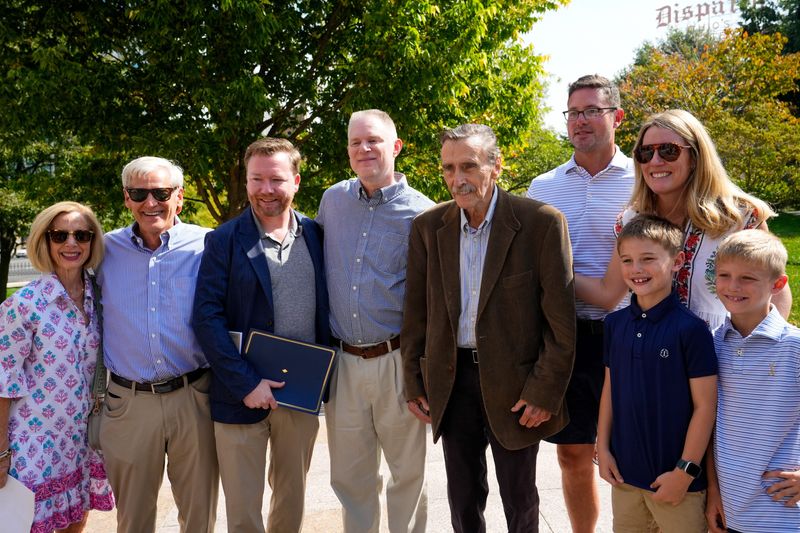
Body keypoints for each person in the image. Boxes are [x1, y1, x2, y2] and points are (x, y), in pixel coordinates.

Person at [402, 123, 576, 532]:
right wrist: (413, 381)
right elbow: (415, 314)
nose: (457, 179)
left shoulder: (541, 223)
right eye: (448, 168)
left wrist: (544, 392)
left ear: (496, 166)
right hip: (451, 380)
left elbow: (561, 323)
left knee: (520, 499)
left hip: (517, 387)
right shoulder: (428, 229)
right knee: (462, 501)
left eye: (468, 166)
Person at [192, 138, 329, 533]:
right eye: (257, 179)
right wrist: (246, 382)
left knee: (291, 501)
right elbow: (206, 318)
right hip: (241, 394)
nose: (266, 189)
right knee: (243, 510)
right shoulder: (223, 240)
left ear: (296, 181)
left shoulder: (317, 236)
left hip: (300, 393)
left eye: (276, 179)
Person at [526, 73, 634, 533]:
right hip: (567, 336)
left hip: (631, 335)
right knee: (572, 453)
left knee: (632, 451)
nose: (581, 121)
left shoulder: (643, 179)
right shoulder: (543, 186)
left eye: (592, 110)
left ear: (617, 117)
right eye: (573, 112)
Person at [317, 109, 433, 533]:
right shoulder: (332, 200)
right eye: (355, 143)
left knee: (407, 474)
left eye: (374, 141)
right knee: (350, 477)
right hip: (342, 362)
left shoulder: (422, 213)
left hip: (397, 361)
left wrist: (425, 373)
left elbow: (433, 299)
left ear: (395, 146)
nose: (364, 149)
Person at [576, 109, 792, 328]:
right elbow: (608, 293)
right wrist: (548, 270)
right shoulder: (632, 220)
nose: (656, 161)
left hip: (722, 355)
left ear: (696, 158)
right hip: (653, 356)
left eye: (669, 151)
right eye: (645, 152)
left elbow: (777, 291)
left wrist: (762, 349)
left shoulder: (739, 217)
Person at [98, 157, 218, 533]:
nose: (150, 202)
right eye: (139, 193)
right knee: (133, 521)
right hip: (129, 404)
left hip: (194, 397)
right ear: (126, 199)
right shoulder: (102, 251)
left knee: (199, 516)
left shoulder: (208, 245)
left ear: (179, 197)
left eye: (161, 192)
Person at [597, 214, 717, 533]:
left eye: (648, 259)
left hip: (678, 486)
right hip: (624, 479)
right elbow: (611, 389)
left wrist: (685, 471)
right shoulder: (615, 325)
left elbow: (705, 407)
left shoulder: (691, 330)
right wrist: (603, 447)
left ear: (677, 261)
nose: (636, 269)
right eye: (627, 260)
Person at [0, 201, 114, 532]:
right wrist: (1, 453)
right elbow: (3, 382)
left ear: (93, 241)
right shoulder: (23, 305)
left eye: (82, 234)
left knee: (75, 521)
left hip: (79, 440)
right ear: (45, 241)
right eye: (59, 235)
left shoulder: (100, 296)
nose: (71, 243)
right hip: (31, 445)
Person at [705, 230, 800, 533]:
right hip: (732, 509)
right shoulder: (712, 344)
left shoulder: (794, 347)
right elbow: (710, 424)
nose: (733, 286)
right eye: (724, 275)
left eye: (747, 278)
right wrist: (713, 492)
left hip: (784, 512)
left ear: (778, 284)